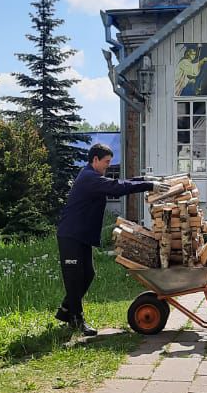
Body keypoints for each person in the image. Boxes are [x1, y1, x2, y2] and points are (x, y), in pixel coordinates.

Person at [55, 144, 168, 336]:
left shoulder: (93, 176)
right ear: (95, 160)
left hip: (80, 235)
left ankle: (66, 310)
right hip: (70, 235)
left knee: (88, 274)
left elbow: (117, 186)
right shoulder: (88, 177)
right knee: (74, 279)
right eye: (106, 162)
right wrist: (148, 185)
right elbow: (117, 187)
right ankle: (76, 320)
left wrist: (145, 179)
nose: (108, 166)